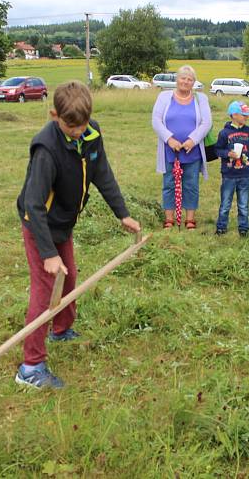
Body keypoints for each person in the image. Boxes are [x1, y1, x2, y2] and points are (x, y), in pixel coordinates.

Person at [16, 80, 141, 389]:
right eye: (71, 126)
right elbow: (33, 203)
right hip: (39, 226)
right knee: (45, 290)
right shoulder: (46, 149)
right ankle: (30, 367)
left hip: (64, 223)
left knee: (69, 280)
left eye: (82, 124)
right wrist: (48, 254)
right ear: (54, 115)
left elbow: (102, 174)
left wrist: (122, 213)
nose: (77, 131)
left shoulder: (91, 133)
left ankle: (61, 329)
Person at [151, 65, 212, 230]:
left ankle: (190, 219)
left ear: (193, 82)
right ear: (177, 79)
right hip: (169, 150)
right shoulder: (164, 97)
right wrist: (169, 139)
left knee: (191, 184)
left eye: (189, 79)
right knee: (169, 183)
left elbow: (206, 122)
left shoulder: (201, 99)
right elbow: (156, 120)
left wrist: (193, 140)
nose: (185, 81)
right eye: (183, 78)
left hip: (192, 150)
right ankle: (169, 219)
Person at [214, 101, 249, 236]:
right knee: (225, 203)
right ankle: (221, 227)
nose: (246, 117)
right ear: (234, 115)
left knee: (243, 204)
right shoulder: (224, 133)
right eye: (244, 115)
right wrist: (227, 154)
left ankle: (243, 228)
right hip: (229, 175)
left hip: (244, 174)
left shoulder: (248, 131)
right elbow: (217, 150)